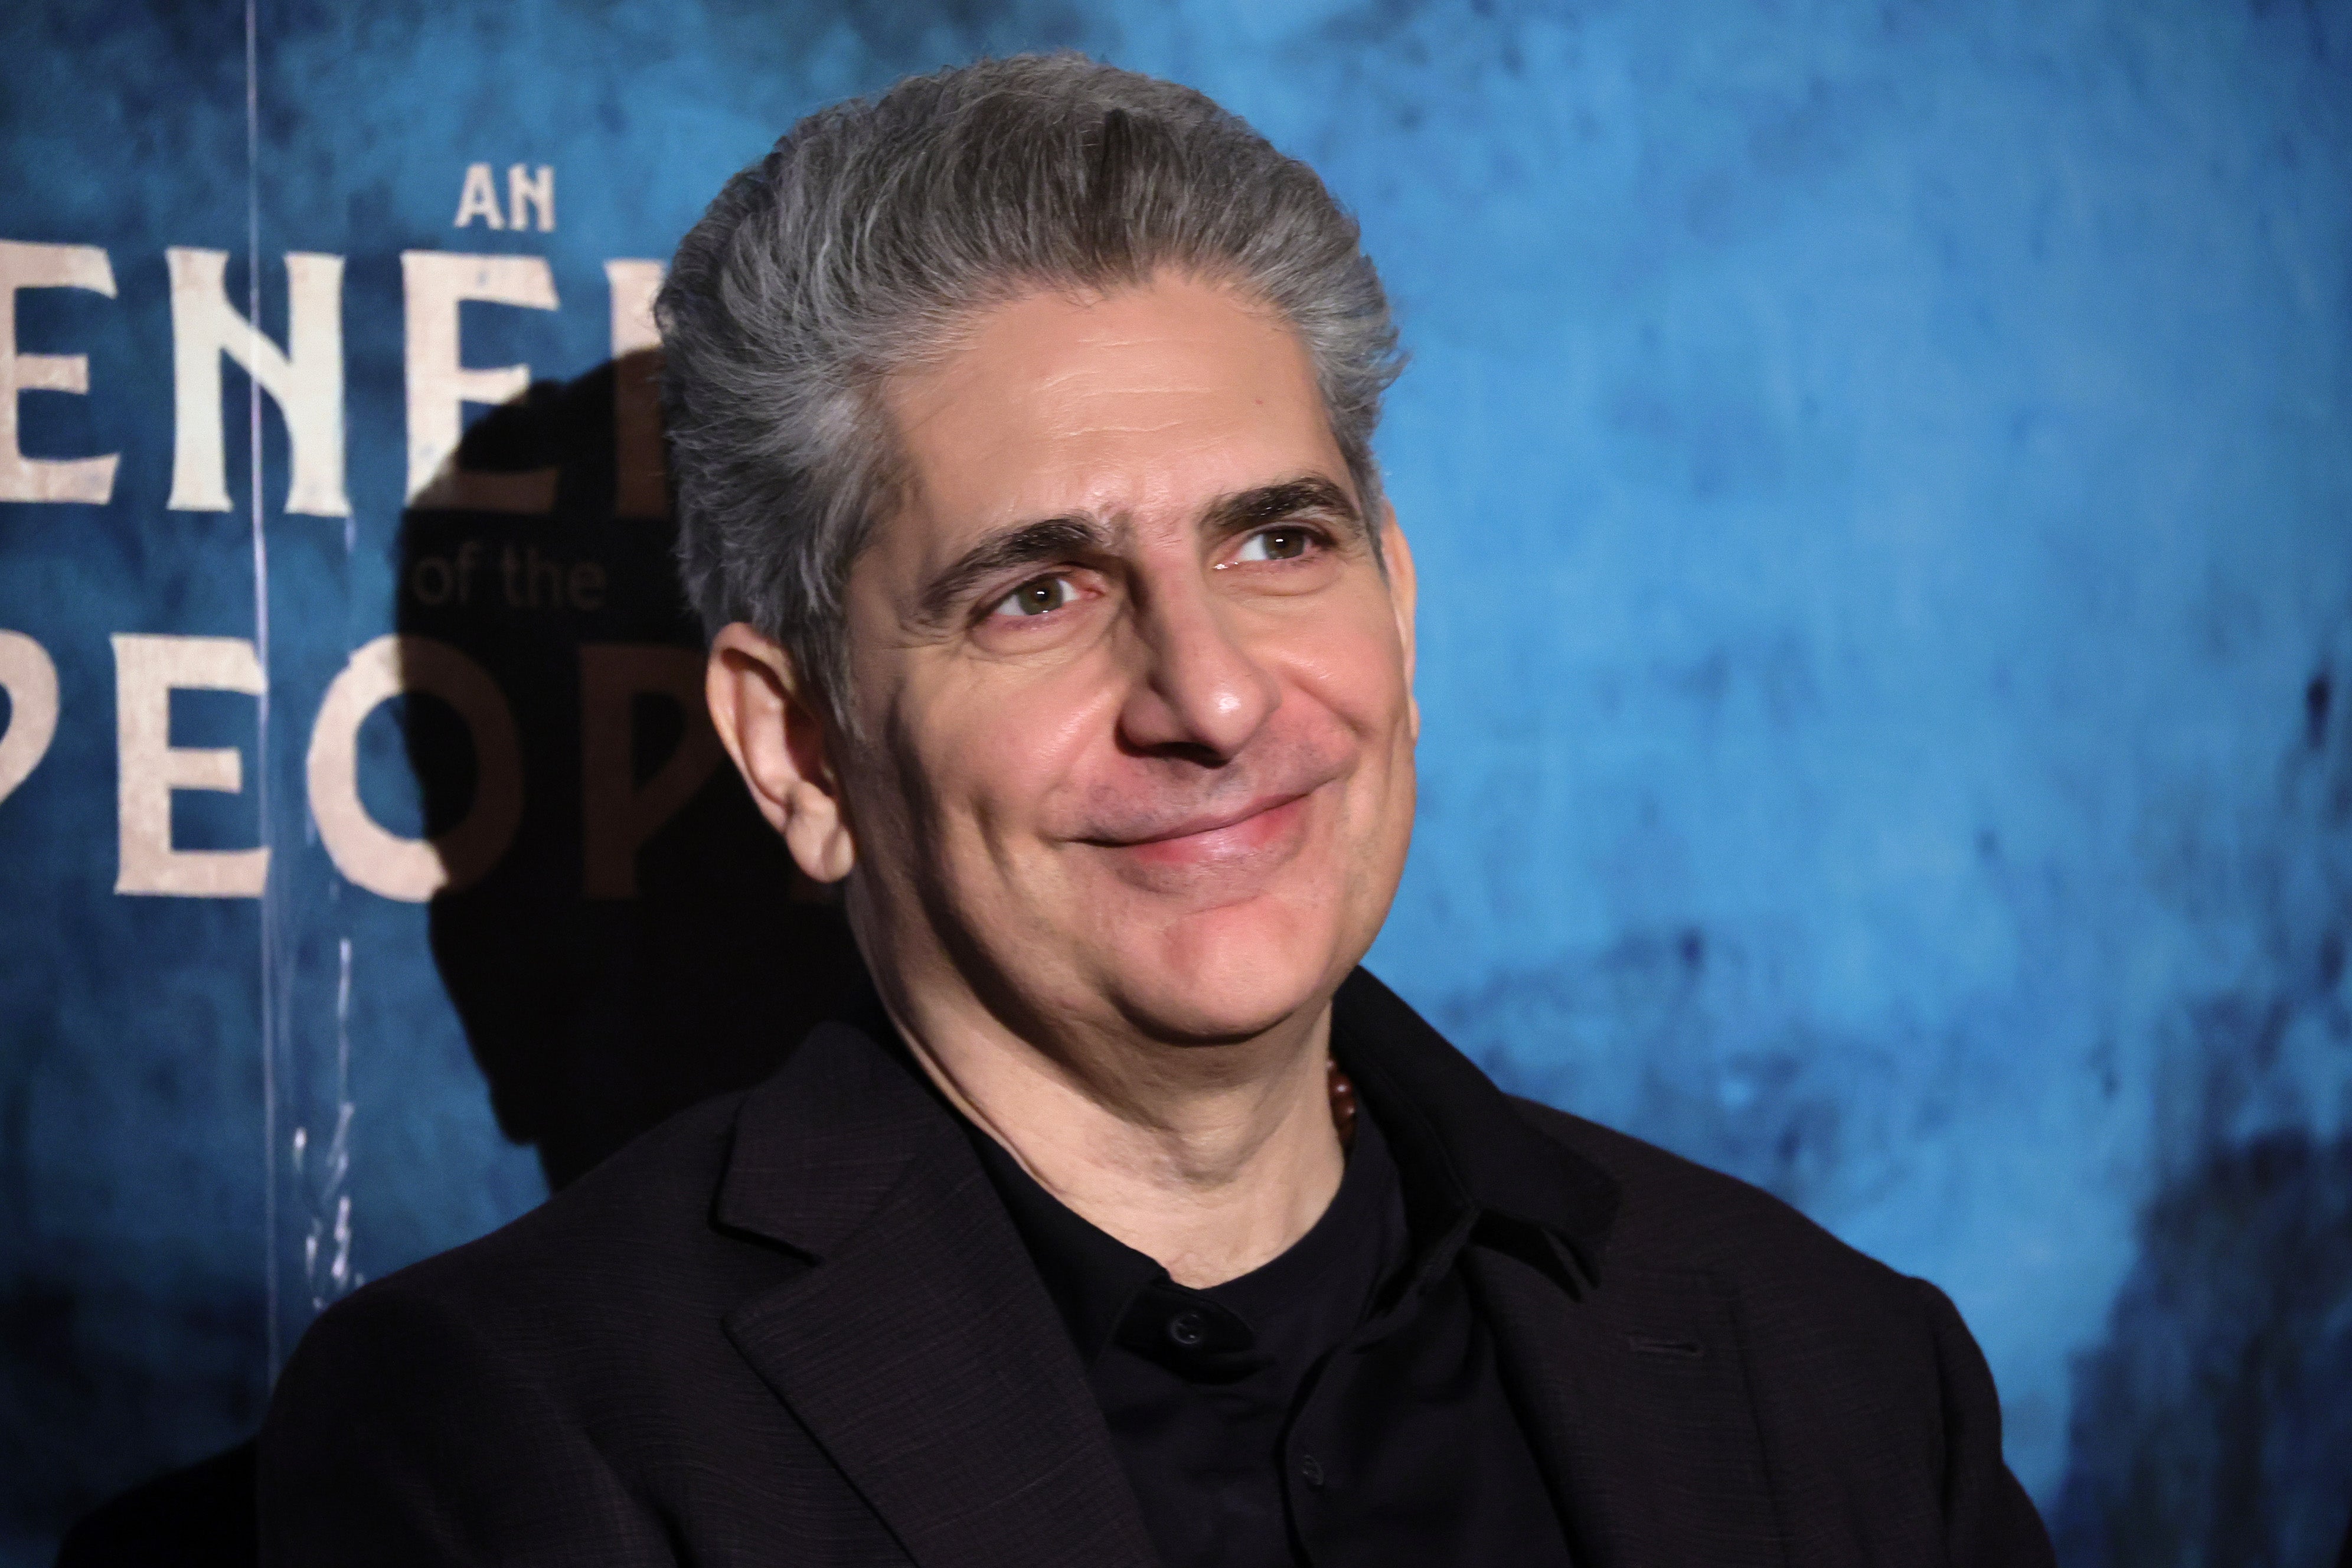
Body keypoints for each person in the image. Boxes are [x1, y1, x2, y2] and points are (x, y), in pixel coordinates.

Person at [260, 54, 2054, 1566]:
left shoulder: (1837, 1373)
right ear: (800, 749)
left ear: (1398, 609)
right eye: (1034, 592)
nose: (1208, 694)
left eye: (1279, 542)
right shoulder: (519, 1448)